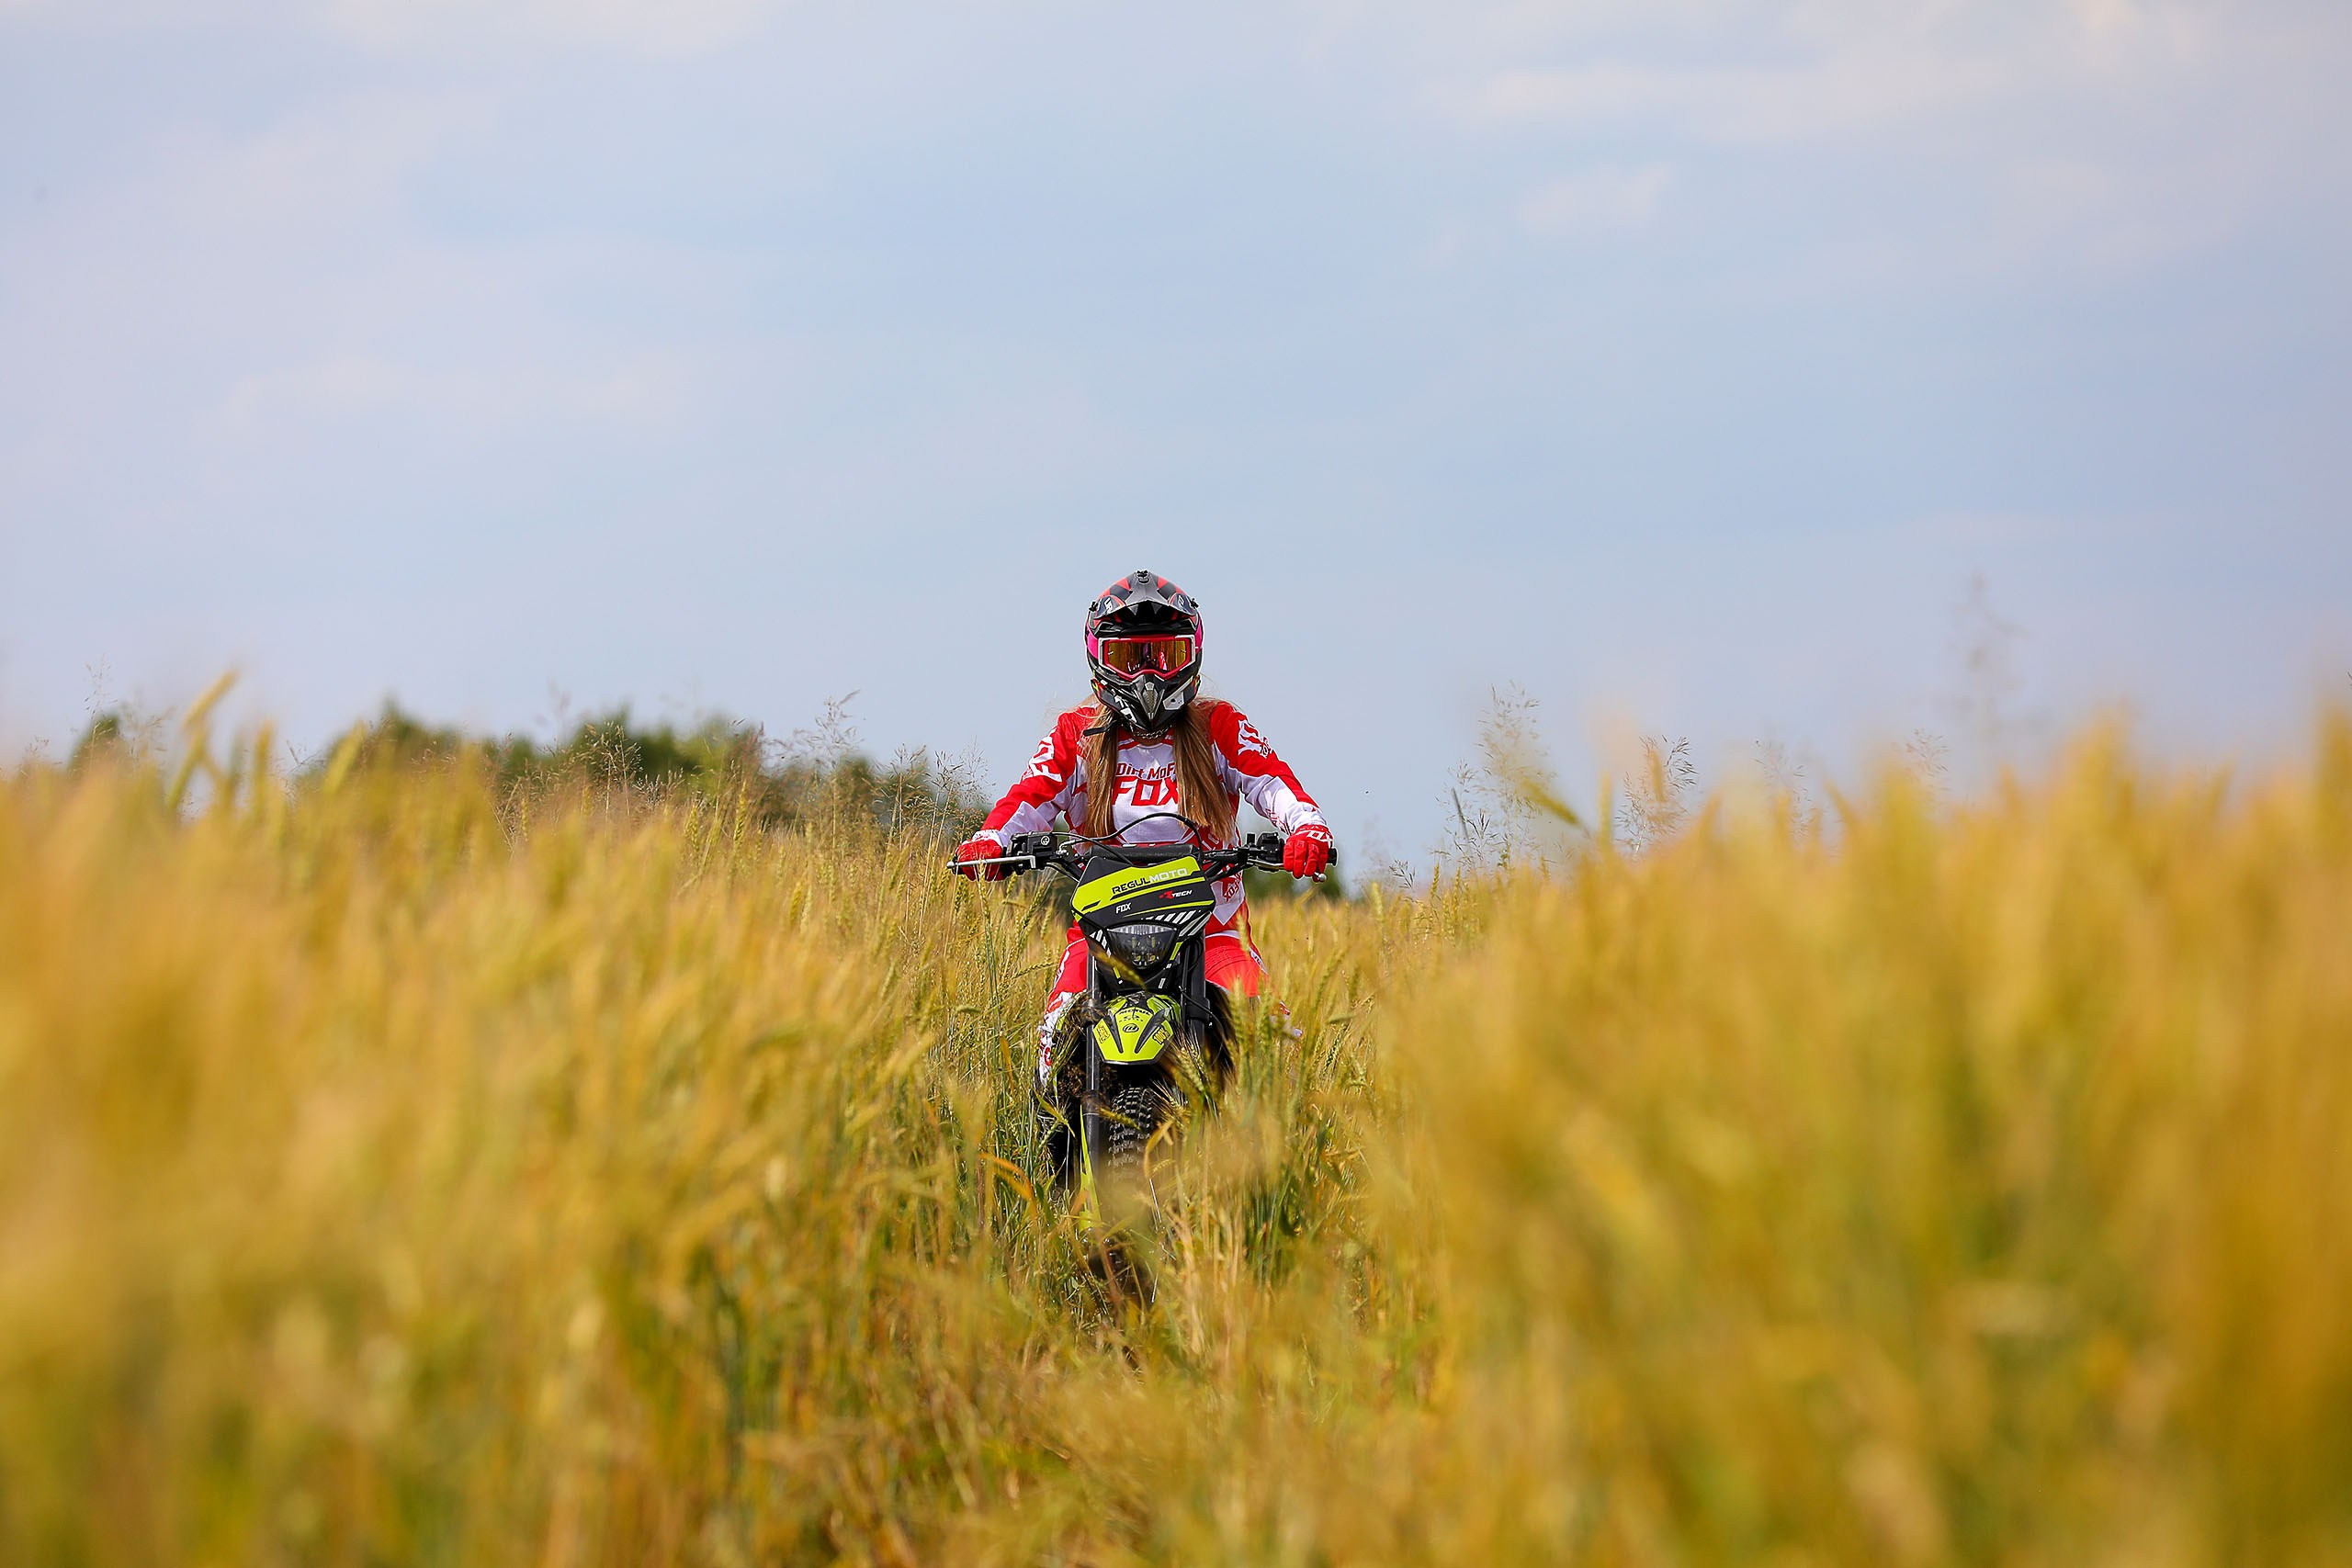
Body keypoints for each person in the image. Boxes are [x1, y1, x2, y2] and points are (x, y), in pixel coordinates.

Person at [952, 568, 1334, 1092]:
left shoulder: (1217, 725)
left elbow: (1274, 784)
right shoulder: (1077, 735)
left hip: (1213, 935)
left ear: (1192, 657)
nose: (1149, 677)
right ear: (1100, 660)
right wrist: (992, 843)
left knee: (1279, 1052)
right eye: (1131, 660)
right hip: (1103, 940)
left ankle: (1273, 1168)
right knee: (1052, 1052)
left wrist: (1307, 830)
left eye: (1165, 656)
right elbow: (1029, 798)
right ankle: (1057, 1164)